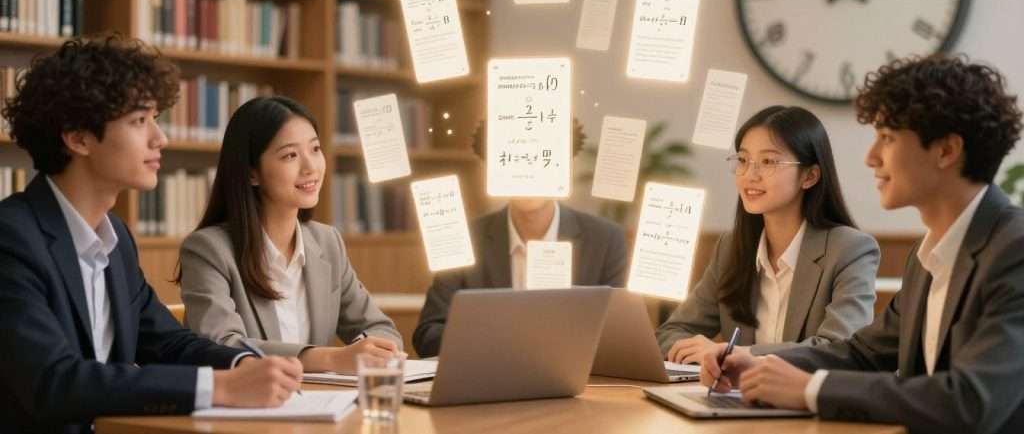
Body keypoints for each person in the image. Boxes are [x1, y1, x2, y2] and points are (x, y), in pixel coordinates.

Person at [701, 55, 1024, 434]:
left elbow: (970, 401)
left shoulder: (1014, 251)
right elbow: (863, 354)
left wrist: (811, 388)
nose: (871, 158)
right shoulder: (928, 258)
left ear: (946, 151)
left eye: (886, 138)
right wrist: (763, 366)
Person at [0, 37, 302, 433]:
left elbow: (169, 343)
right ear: (78, 138)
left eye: (155, 119)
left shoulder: (116, 241)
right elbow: (55, 381)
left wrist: (242, 363)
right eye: (139, 121)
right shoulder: (12, 236)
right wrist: (220, 386)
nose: (160, 138)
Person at [178, 96, 402, 373]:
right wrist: (333, 359)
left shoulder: (327, 242)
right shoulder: (208, 250)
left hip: (322, 405)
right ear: (252, 174)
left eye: (315, 149)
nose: (311, 167)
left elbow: (380, 328)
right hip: (245, 410)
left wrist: (368, 350)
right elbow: (221, 346)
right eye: (290, 155)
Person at [657, 106, 879, 363]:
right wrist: (703, 355)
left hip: (806, 401)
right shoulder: (732, 248)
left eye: (769, 161)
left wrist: (740, 354)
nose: (751, 175)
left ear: (810, 176)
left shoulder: (850, 250)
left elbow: (841, 349)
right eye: (742, 160)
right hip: (733, 400)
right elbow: (670, 333)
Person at [412, 119, 628, 358]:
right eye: (512, 157)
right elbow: (428, 335)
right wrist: (498, 343)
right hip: (487, 387)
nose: (528, 168)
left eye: (541, 156)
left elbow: (618, 338)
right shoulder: (461, 237)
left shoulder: (606, 240)